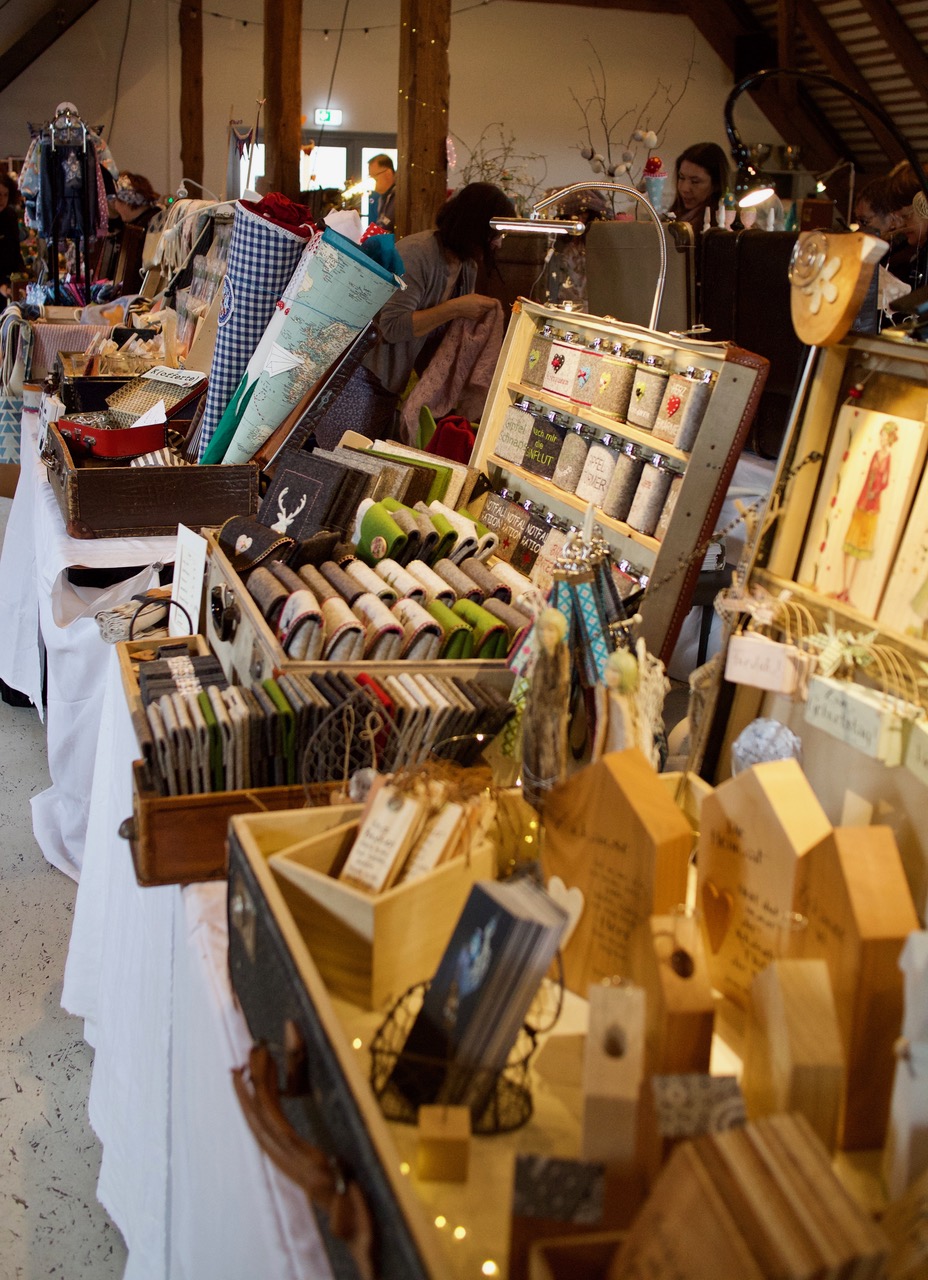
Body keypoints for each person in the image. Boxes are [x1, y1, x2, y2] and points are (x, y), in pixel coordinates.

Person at [331, 181, 515, 439]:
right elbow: (392, 327)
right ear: (476, 227)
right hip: (359, 379)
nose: (498, 244)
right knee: (345, 457)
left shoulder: (466, 266)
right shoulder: (417, 254)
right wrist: (455, 308)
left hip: (391, 387)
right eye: (497, 234)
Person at [97, 171, 162, 295]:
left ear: (127, 202)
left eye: (115, 201)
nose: (115, 207)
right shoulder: (154, 219)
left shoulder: (144, 229)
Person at [667, 142, 730, 232]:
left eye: (695, 181)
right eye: (681, 177)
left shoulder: (723, 226)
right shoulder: (675, 216)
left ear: (716, 185)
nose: (685, 189)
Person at [0, 174, 25, 306]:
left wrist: (22, 275)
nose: (2, 199)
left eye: (6, 195)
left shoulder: (10, 216)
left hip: (9, 282)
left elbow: (15, 250)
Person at [368, 153, 396, 233]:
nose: (372, 181)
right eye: (370, 177)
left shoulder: (399, 197)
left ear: (388, 174)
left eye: (375, 177)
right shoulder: (382, 197)